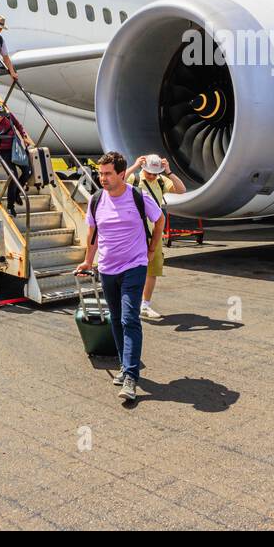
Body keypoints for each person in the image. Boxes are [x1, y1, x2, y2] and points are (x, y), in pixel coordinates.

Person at [76, 151, 164, 403]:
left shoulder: (138, 196)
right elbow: (92, 234)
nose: (102, 178)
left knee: (129, 318)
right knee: (115, 318)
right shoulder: (95, 200)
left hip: (134, 266)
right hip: (106, 268)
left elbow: (159, 220)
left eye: (107, 174)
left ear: (122, 173)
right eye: (100, 173)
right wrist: (87, 261)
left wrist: (151, 248)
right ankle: (125, 365)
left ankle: (130, 377)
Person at [126, 153, 187, 322]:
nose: (152, 175)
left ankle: (144, 305)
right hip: (135, 232)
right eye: (149, 172)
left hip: (155, 232)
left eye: (155, 173)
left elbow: (181, 190)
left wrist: (168, 172)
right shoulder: (134, 178)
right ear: (143, 168)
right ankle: (129, 303)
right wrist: (135, 166)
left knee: (152, 269)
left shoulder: (161, 180)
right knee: (131, 269)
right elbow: (118, 182)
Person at [0, 102, 33, 214]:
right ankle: (10, 206)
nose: (0, 118)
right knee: (13, 175)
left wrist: (24, 137)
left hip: (15, 148)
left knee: (27, 171)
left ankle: (16, 193)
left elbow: (19, 125)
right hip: (3, 152)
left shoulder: (8, 115)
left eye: (1, 115)